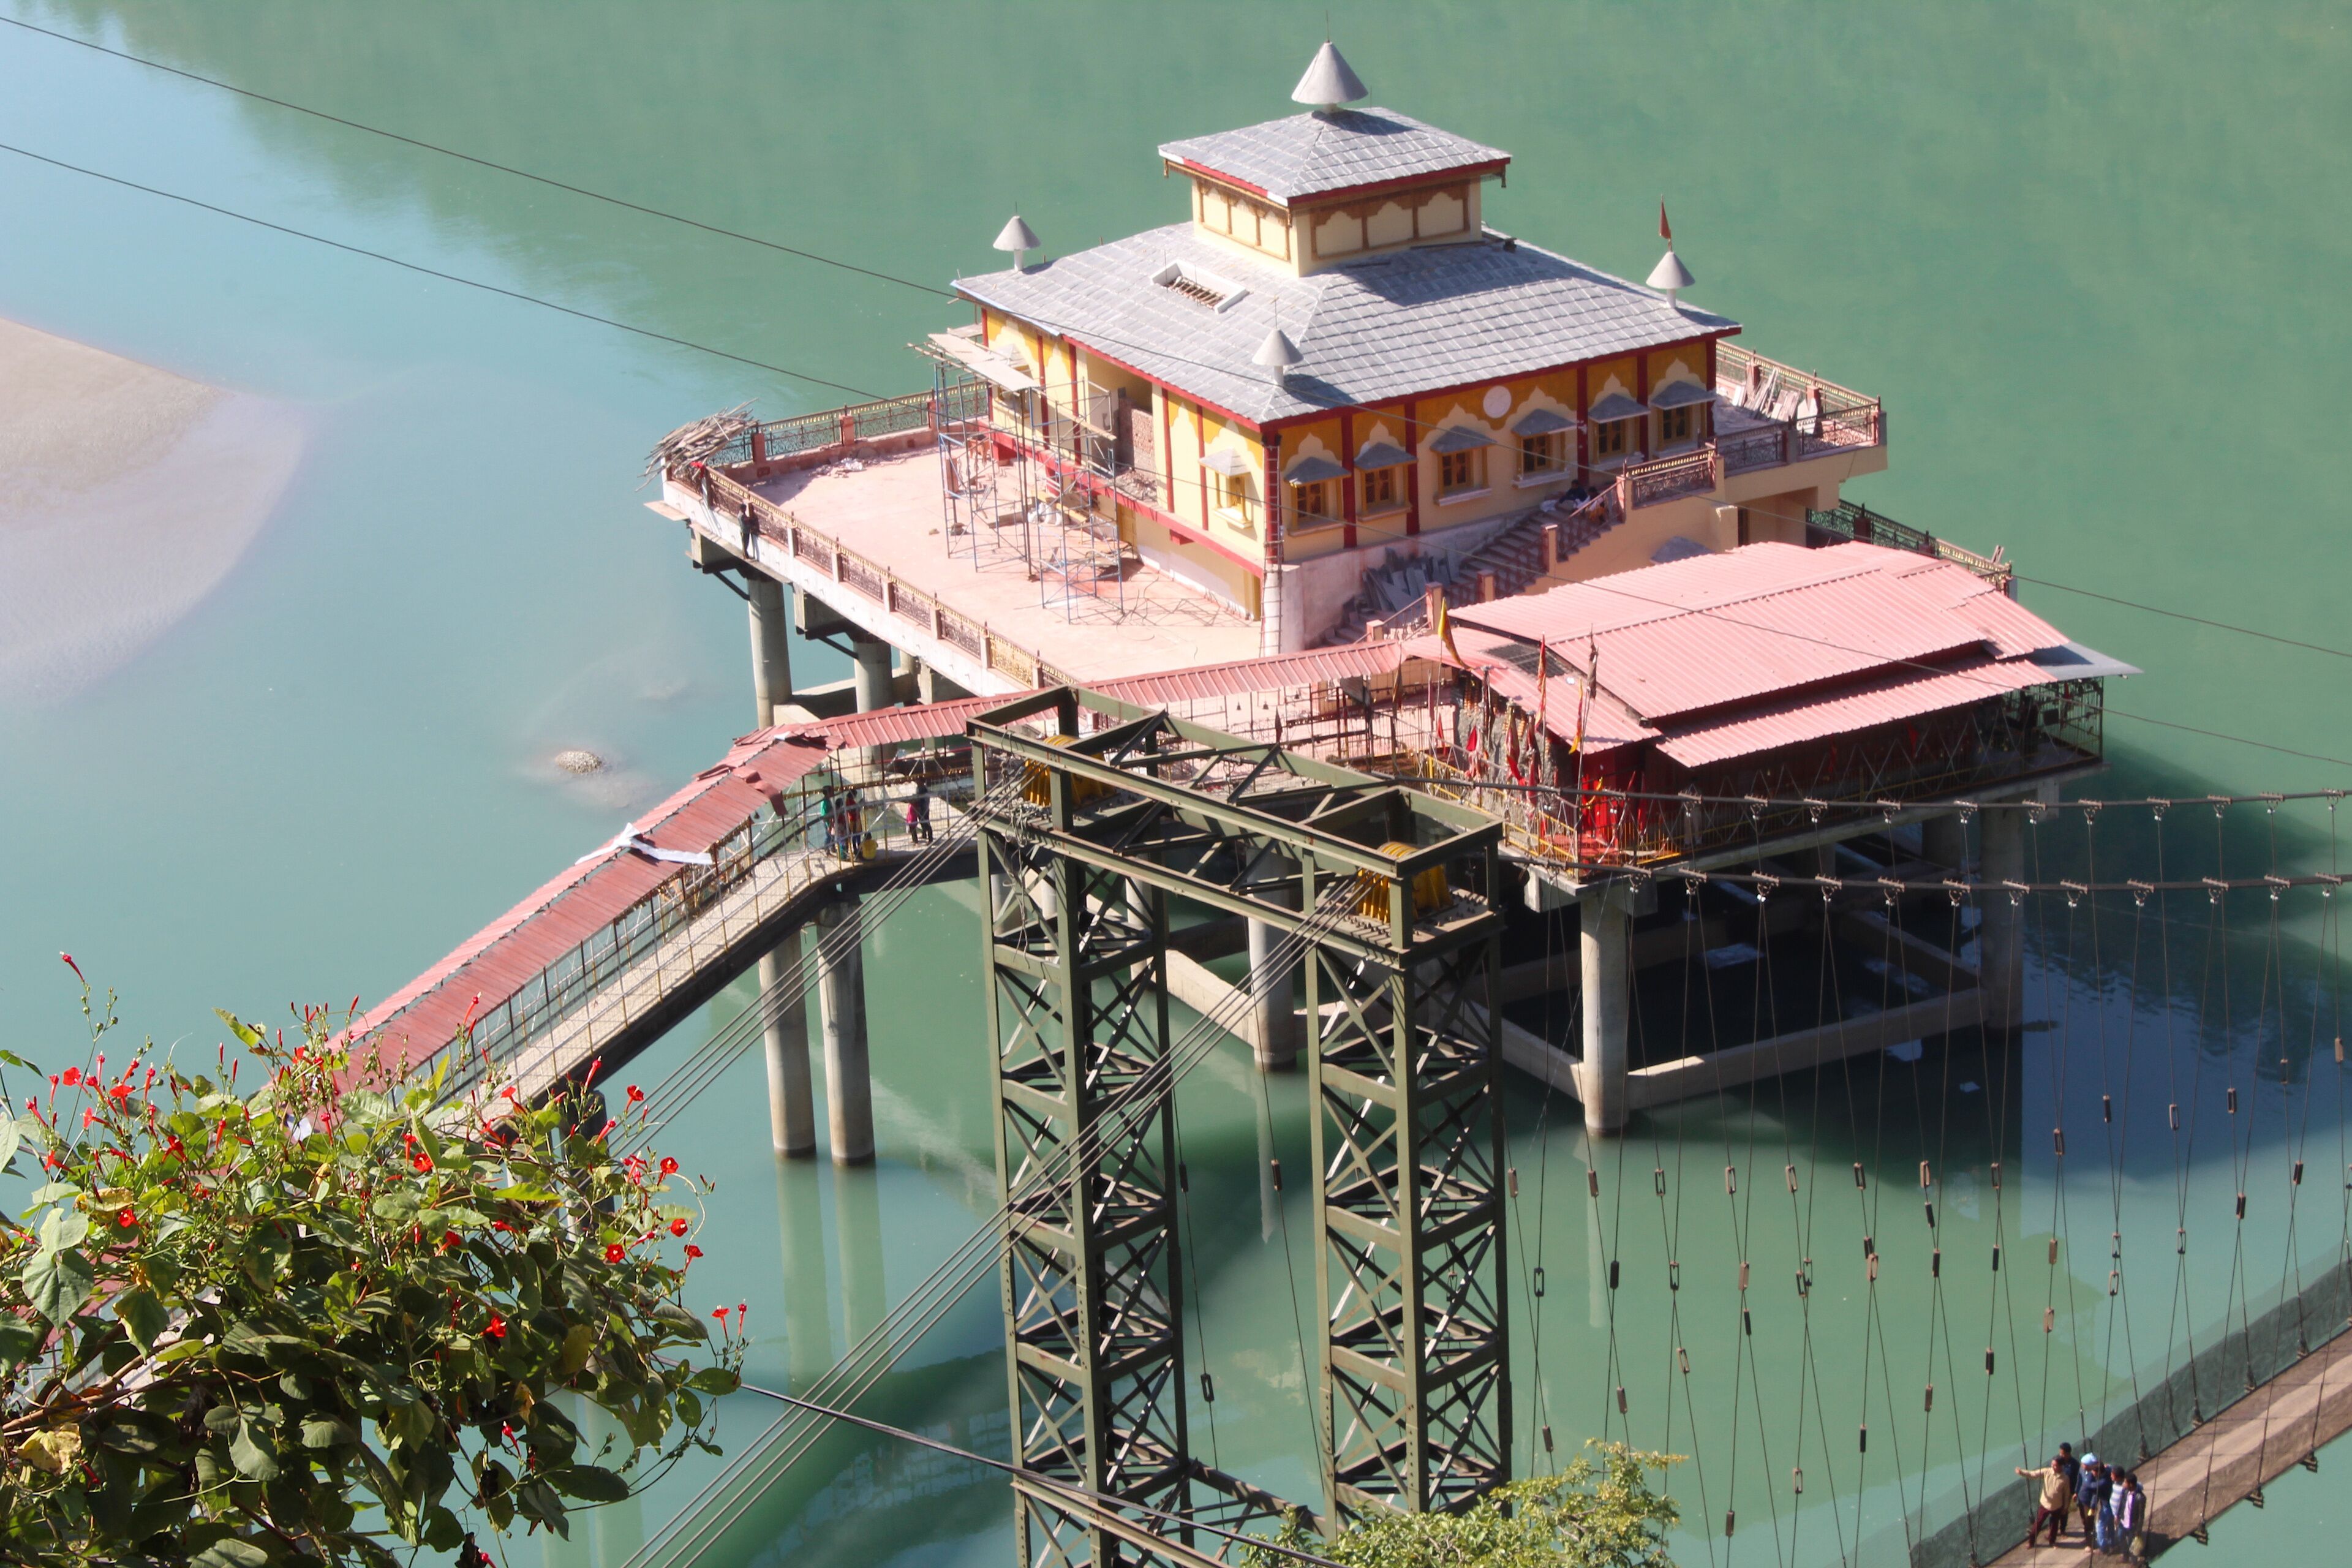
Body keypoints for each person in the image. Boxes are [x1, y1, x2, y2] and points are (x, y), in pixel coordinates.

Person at [2018, 1453, 2075, 1547]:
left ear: (2061, 1466)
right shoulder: (2047, 1472)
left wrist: (2065, 1507)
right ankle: (2031, 1542)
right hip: (2045, 1505)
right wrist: (2022, 1472)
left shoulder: (2065, 1479)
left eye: (2055, 1465)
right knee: (2038, 1524)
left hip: (2057, 1506)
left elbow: (2066, 1494)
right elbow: (2033, 1474)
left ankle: (2052, 1541)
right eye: (2052, 1464)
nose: (2053, 1467)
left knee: (2054, 1526)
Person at [2111, 1471, 2147, 1561]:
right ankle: (2125, 1554)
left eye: (2125, 1482)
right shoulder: (2125, 1492)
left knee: (2132, 1542)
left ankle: (2134, 1560)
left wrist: (2139, 1529)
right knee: (2120, 1536)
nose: (2123, 1484)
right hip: (2123, 1521)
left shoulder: (2140, 1497)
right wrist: (2117, 1516)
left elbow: (2141, 1515)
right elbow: (2121, 1504)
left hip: (2133, 1524)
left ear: (2130, 1484)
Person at [2076, 1458, 2111, 1551]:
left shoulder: (2102, 1481)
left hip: (2104, 1505)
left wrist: (2092, 1506)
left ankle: (2101, 1546)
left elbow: (2092, 1488)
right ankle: (2110, 1541)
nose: (2092, 1473)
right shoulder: (2103, 1475)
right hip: (2091, 1502)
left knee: (2099, 1524)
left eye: (2093, 1471)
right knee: (2107, 1523)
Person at [908, 780, 934, 845]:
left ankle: (930, 839)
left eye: (919, 781)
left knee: (926, 823)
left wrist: (916, 801)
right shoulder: (918, 788)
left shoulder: (923, 789)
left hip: (924, 808)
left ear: (922, 782)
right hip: (920, 808)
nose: (917, 783)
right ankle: (924, 834)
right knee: (922, 822)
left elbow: (922, 799)